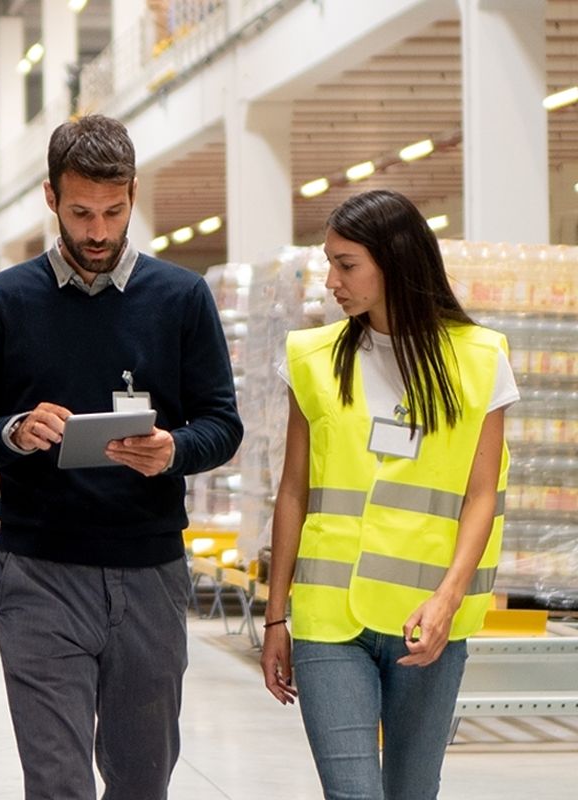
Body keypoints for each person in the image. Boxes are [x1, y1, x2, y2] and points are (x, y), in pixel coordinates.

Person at [0, 115, 243, 800]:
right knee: (57, 782)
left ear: (134, 194)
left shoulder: (182, 299)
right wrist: (15, 431)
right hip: (40, 573)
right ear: (51, 198)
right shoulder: (4, 301)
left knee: (142, 781)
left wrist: (172, 450)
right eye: (81, 213)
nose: (99, 232)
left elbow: (222, 426)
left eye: (113, 211)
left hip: (150, 572)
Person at [261, 189, 513, 800]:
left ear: (395, 260)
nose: (331, 281)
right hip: (328, 618)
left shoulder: (481, 359)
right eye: (329, 262)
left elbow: (483, 494)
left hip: (426, 619)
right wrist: (274, 616)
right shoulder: (313, 358)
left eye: (346, 264)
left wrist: (449, 600)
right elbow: (294, 490)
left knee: (410, 792)